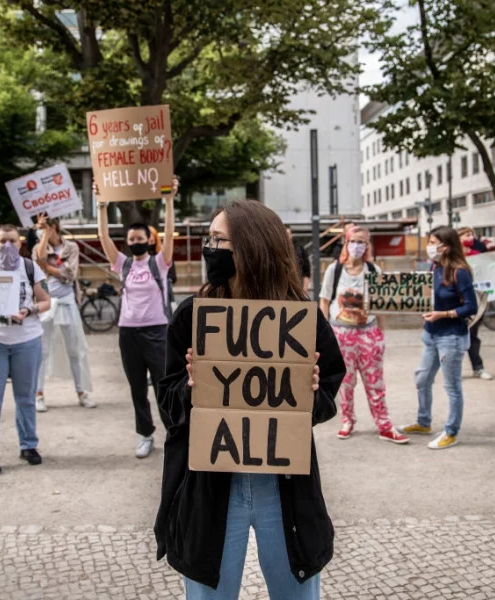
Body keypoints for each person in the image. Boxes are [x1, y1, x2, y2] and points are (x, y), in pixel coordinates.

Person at [154, 199, 346, 599]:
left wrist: (309, 394)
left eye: (218, 239)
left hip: (285, 487)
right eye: (210, 238)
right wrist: (192, 386)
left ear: (252, 247)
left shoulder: (301, 318)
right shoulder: (192, 318)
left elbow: (329, 385)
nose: (210, 248)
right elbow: (168, 404)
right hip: (211, 489)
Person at [95, 177, 178, 459]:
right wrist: (101, 206)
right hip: (128, 333)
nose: (135, 243)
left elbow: (169, 235)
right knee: (137, 388)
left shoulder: (159, 262)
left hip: (156, 331)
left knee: (162, 385)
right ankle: (146, 434)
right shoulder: (123, 264)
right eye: (131, 240)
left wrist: (168, 199)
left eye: (140, 239)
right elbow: (104, 238)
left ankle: (173, 433)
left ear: (148, 241)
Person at [0, 224, 50, 475]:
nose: (8, 246)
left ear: (20, 242)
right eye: (3, 240)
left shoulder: (29, 267)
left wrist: (29, 311)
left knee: (25, 396)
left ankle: (28, 445)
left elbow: (45, 301)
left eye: (12, 241)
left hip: (26, 338)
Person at [319, 227, 409, 444]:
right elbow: (324, 300)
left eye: (362, 242)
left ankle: (384, 424)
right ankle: (347, 420)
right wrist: (325, 333)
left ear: (367, 246)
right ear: (346, 243)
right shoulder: (335, 269)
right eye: (353, 241)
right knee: (346, 382)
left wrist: (380, 334)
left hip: (368, 333)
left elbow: (381, 305)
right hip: (341, 333)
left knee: (375, 382)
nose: (357, 246)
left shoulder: (373, 270)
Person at [402, 226, 478, 449]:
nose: (430, 246)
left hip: (451, 338)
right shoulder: (435, 267)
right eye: (430, 241)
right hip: (431, 335)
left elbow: (471, 306)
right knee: (422, 379)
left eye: (434, 242)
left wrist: (443, 314)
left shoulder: (460, 271)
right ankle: (423, 422)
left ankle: (451, 431)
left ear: (446, 245)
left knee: (452, 386)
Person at [33, 215, 94, 412]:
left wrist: (47, 268)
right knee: (41, 350)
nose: (42, 230)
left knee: (76, 349)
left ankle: (82, 391)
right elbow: (38, 262)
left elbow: (70, 274)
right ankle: (39, 393)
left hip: (67, 301)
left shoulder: (71, 248)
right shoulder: (39, 247)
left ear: (54, 227)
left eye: (46, 227)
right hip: (46, 301)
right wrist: (43, 236)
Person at [457, 227, 494, 380]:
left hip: (475, 302)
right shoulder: (452, 258)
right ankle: (453, 369)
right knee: (455, 338)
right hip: (456, 302)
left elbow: (489, 274)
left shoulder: (478, 256)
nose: (471, 237)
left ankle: (477, 367)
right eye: (467, 234)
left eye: (471, 234)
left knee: (472, 336)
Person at [287, 226, 312, 292]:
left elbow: (306, 271)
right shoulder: (277, 250)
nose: (286, 237)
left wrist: (305, 288)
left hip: (297, 287)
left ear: (291, 235)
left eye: (288, 234)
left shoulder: (299, 249)